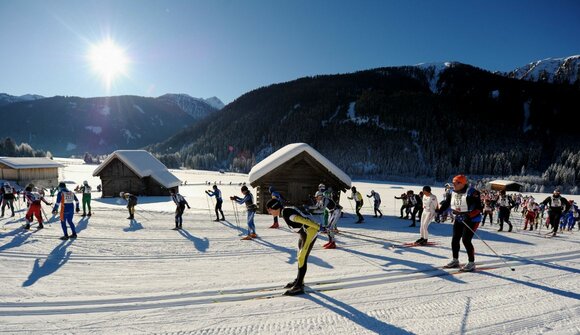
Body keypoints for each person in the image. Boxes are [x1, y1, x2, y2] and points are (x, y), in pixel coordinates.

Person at [266, 198, 320, 296]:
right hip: (303, 233)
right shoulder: (284, 212)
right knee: (299, 257)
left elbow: (302, 219)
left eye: (269, 209)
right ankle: (299, 280)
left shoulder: (286, 213)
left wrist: (318, 227)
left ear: (274, 207)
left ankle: (299, 286)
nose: (269, 212)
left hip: (310, 232)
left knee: (302, 257)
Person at [439, 175, 483, 272]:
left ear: (462, 183)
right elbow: (447, 203)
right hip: (459, 218)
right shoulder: (451, 191)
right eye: (453, 182)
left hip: (472, 219)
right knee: (455, 239)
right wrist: (439, 211)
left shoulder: (472, 192)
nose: (453, 184)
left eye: (456, 183)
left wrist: (468, 215)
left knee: (466, 240)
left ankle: (471, 263)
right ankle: (455, 260)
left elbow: (479, 208)